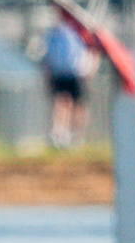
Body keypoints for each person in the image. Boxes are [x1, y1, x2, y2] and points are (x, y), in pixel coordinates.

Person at [39, 8, 94, 150]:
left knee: (78, 105)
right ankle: (59, 134)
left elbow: (90, 52)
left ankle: (77, 137)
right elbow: (47, 56)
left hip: (76, 74)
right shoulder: (53, 34)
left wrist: (88, 69)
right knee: (60, 103)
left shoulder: (79, 32)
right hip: (60, 74)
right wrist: (48, 74)